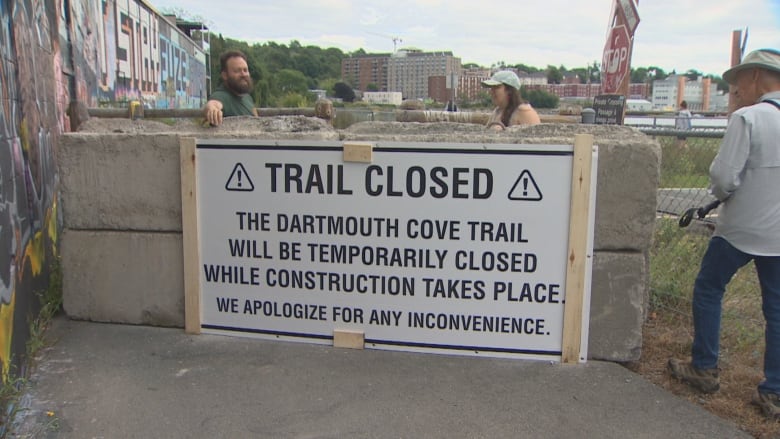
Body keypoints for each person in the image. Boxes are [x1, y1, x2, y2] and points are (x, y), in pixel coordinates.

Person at [667, 48, 780, 419]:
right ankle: (774, 391)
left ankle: (704, 366)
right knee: (777, 311)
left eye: (737, 84)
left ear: (755, 78)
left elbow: (723, 177)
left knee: (709, 288)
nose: (735, 91)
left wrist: (720, 197)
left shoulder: (748, 118)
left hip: (741, 227)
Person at [202, 50, 258, 126]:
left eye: (245, 70)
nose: (243, 74)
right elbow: (213, 104)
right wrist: (212, 109)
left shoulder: (247, 97)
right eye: (237, 71)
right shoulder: (221, 96)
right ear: (225, 75)